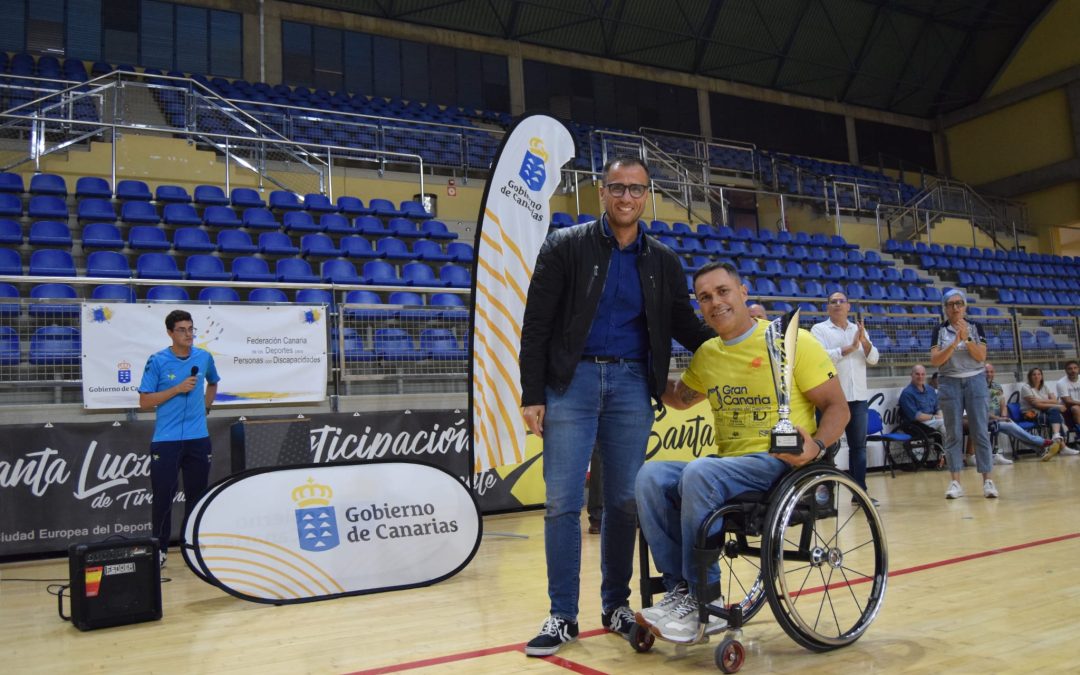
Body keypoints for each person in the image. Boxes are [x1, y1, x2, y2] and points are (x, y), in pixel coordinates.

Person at [519, 156, 714, 656]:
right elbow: (536, 323)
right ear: (602, 192)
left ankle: (616, 607)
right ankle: (563, 616)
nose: (627, 197)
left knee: (624, 502)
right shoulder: (565, 245)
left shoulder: (663, 261)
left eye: (636, 189)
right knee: (563, 502)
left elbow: (685, 326)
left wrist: (735, 341)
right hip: (572, 382)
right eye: (618, 188)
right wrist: (532, 394)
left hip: (631, 384)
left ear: (647, 196)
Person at [634, 262, 849, 643]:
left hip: (779, 465)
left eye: (723, 291)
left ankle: (706, 596)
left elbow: (838, 408)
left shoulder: (790, 342)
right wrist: (639, 366)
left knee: (700, 472)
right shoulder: (707, 354)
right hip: (730, 467)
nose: (715, 302)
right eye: (705, 297)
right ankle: (680, 590)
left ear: (743, 292)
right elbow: (680, 398)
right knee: (650, 477)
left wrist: (815, 446)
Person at [138, 310, 220, 568]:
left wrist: (206, 407)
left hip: (198, 438)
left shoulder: (204, 357)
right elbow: (144, 402)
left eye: (191, 329)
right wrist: (177, 389)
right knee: (164, 495)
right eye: (182, 330)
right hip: (167, 440)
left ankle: (192, 544)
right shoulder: (157, 361)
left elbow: (213, 382)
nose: (188, 334)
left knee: (197, 495)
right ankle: (160, 548)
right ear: (170, 333)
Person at [811, 291, 880, 506]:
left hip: (858, 398)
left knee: (858, 448)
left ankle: (860, 494)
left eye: (842, 301)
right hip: (830, 400)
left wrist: (863, 342)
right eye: (833, 302)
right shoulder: (819, 330)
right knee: (825, 448)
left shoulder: (858, 329)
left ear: (848, 306)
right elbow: (820, 358)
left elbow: (874, 358)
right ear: (827, 307)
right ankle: (824, 498)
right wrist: (849, 348)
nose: (838, 304)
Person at [930, 289, 996, 499]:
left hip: (975, 380)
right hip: (949, 382)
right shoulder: (939, 330)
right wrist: (954, 342)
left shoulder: (976, 327)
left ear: (965, 306)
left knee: (980, 431)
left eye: (959, 303)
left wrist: (966, 340)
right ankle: (955, 482)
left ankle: (988, 481)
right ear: (945, 308)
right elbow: (936, 360)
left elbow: (981, 356)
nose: (955, 308)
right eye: (951, 304)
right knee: (953, 433)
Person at [985, 363, 1059, 459]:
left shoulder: (997, 386)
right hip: (986, 420)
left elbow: (1003, 405)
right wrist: (998, 418)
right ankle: (1042, 442)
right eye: (986, 372)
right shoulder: (978, 388)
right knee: (1013, 428)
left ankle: (1041, 450)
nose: (989, 374)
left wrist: (1003, 417)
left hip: (999, 419)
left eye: (991, 372)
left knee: (1016, 431)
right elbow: (981, 411)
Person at [1020, 367, 1078, 459]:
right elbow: (1036, 405)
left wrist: (1040, 400)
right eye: (1034, 374)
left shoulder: (1045, 386)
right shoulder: (1026, 387)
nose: (1036, 376)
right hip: (1030, 414)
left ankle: (1056, 437)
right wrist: (1055, 405)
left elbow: (1055, 400)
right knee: (1056, 415)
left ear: (1042, 376)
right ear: (1030, 377)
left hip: (1045, 411)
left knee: (1054, 412)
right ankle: (1062, 446)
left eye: (1039, 374)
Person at [1053, 360, 1080, 445]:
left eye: (1075, 368)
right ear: (1066, 370)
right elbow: (1067, 401)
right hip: (1068, 410)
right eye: (1070, 369)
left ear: (1078, 369)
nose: (1073, 370)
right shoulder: (1061, 383)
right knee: (1076, 408)